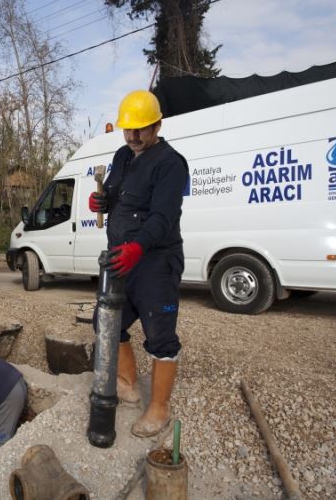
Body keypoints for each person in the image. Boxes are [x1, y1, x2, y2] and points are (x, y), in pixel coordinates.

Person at [88, 90, 189, 438]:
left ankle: (159, 410)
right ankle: (128, 384)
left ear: (157, 125)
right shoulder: (122, 155)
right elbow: (116, 196)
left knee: (160, 336)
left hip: (155, 262)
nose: (132, 137)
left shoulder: (170, 163)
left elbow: (162, 217)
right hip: (121, 257)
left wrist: (137, 247)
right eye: (127, 130)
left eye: (140, 130)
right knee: (106, 322)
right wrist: (102, 200)